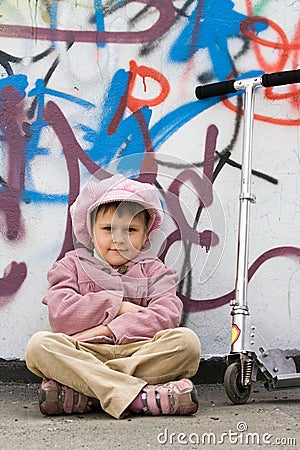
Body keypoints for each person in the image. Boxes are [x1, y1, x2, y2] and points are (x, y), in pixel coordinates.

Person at [26, 173, 201, 419]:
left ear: (144, 236)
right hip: (85, 352)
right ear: (92, 231)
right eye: (108, 229)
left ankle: (86, 392)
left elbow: (166, 317)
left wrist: (105, 331)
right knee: (39, 346)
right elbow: (61, 315)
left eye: (130, 229)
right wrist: (117, 306)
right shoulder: (71, 265)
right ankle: (140, 397)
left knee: (187, 343)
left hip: (139, 352)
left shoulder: (156, 271)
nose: (118, 239)